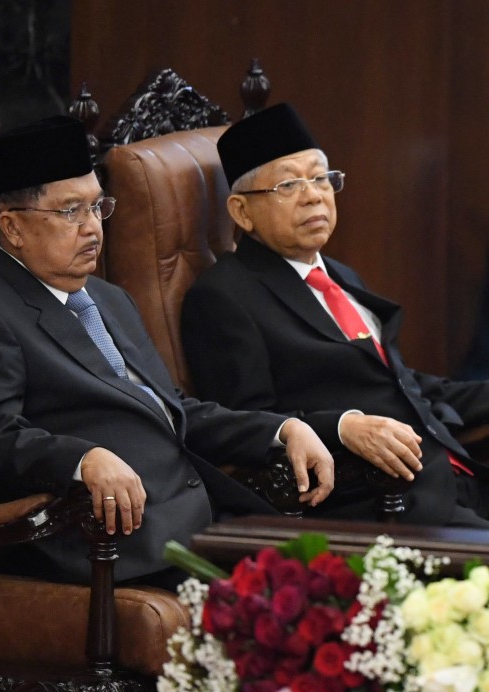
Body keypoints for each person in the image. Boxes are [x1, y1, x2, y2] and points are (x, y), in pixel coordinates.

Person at [0, 114, 334, 592]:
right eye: (70, 212)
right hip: (112, 543)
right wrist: (84, 460)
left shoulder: (107, 298)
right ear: (12, 228)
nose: (92, 229)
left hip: (197, 514)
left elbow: (173, 411)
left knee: (338, 591)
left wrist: (281, 428)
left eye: (96, 207)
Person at [181, 102, 489, 528]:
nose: (314, 195)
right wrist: (344, 427)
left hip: (453, 475)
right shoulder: (223, 296)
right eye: (288, 185)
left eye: (321, 177)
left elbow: (404, 384)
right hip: (380, 501)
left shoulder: (339, 275)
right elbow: (249, 423)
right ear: (241, 212)